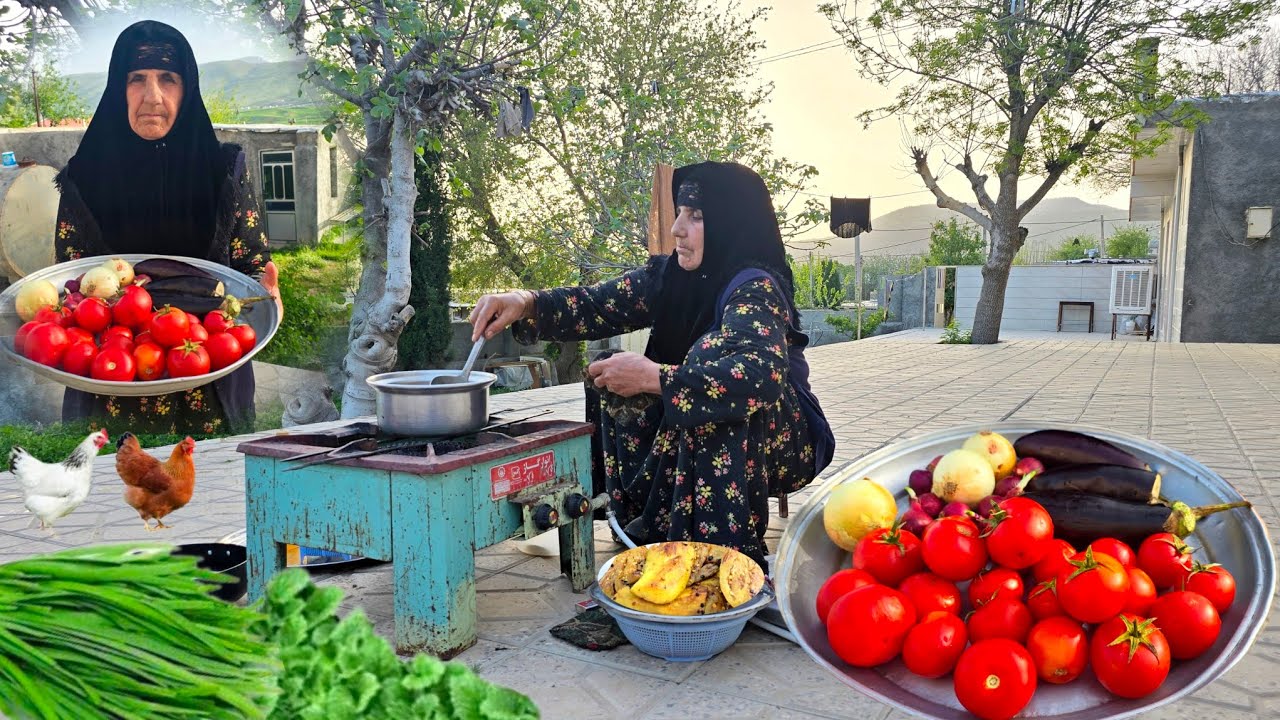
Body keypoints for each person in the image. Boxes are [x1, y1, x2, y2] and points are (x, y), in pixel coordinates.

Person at [469, 161, 830, 568]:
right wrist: (524, 302)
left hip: (783, 437)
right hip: (716, 430)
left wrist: (654, 376)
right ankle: (645, 524)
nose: (677, 229)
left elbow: (758, 376)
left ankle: (720, 556)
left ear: (731, 223)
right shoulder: (671, 277)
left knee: (705, 371)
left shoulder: (755, 288)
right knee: (610, 369)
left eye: (696, 217)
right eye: (679, 212)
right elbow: (597, 304)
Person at [53, 20, 280, 436]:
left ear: (187, 89)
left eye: (168, 79)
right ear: (117, 88)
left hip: (207, 368)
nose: (152, 96)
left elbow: (249, 262)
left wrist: (265, 291)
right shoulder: (84, 176)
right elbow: (70, 279)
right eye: (137, 79)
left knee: (210, 473)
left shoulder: (223, 170)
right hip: (113, 376)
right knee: (116, 474)